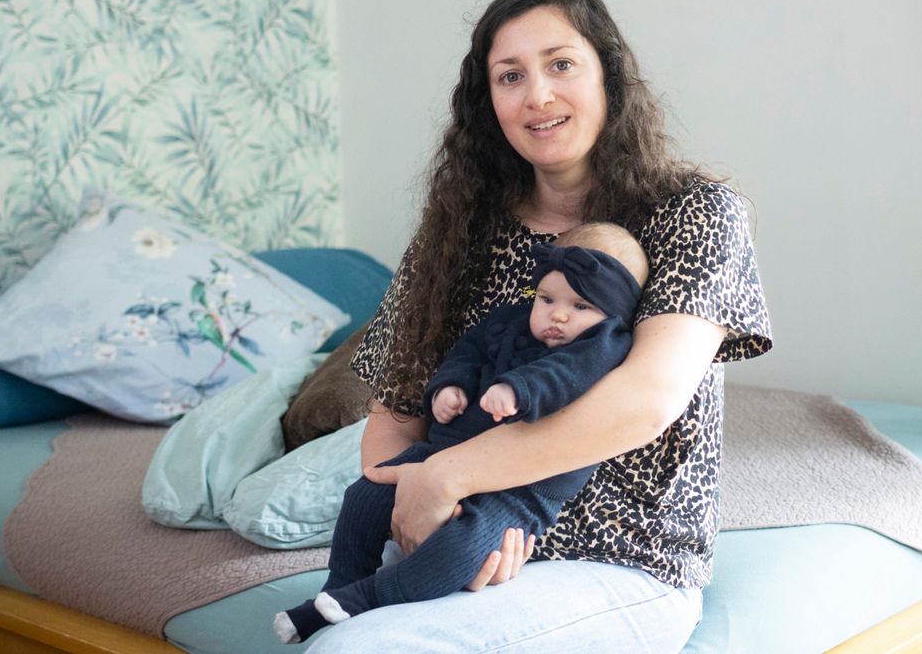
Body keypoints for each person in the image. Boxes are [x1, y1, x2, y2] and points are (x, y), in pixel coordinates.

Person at [306, 0, 772, 654]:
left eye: (561, 64)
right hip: (458, 537)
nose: (538, 95)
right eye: (510, 75)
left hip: (624, 561)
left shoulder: (695, 213)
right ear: (487, 100)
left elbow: (645, 402)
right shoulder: (453, 235)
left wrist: (454, 474)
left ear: (607, 73)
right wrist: (440, 521)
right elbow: (394, 416)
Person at [274, 223, 649, 644]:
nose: (558, 315)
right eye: (547, 299)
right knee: (364, 494)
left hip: (519, 494)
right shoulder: (510, 322)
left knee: (463, 553)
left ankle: (372, 596)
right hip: (441, 454)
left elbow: (567, 376)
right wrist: (449, 388)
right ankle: (339, 585)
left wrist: (519, 389)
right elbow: (468, 353)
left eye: (581, 306)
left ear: (612, 313)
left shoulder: (607, 344)